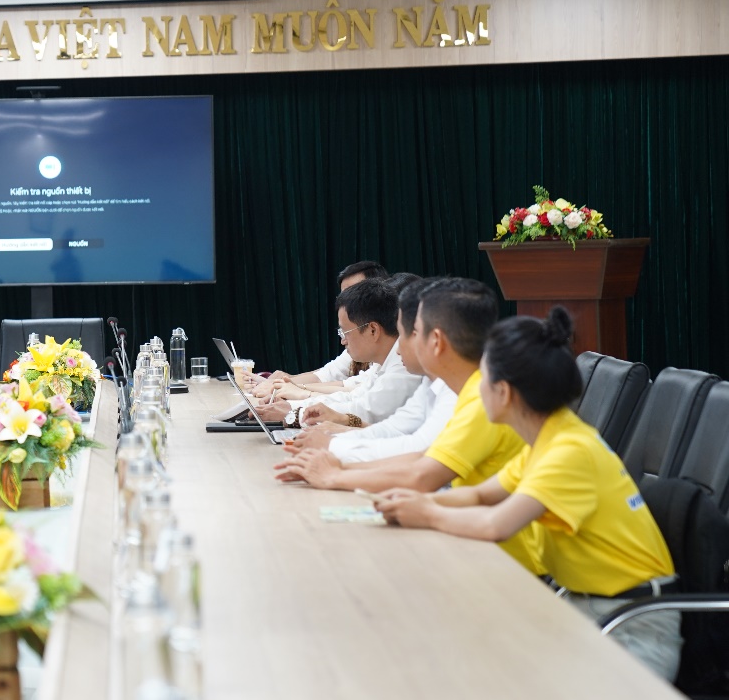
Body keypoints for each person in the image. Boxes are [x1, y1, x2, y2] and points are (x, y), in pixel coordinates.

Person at [377, 308, 681, 680]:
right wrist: (410, 503)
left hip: (631, 628)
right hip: (588, 609)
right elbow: (480, 496)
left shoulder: (569, 451)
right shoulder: (549, 437)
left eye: (482, 379)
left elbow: (495, 525)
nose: (476, 389)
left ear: (503, 392)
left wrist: (426, 513)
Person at [274, 280, 529, 526]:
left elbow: (421, 470)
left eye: (411, 333)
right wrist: (336, 461)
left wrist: (336, 468)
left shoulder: (481, 397)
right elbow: (412, 446)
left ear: (436, 341)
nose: (398, 349)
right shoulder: (453, 385)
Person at [290, 277, 458, 462]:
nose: (398, 348)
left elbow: (419, 457)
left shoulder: (461, 392)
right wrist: (342, 430)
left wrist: (334, 448)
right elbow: (394, 430)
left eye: (405, 335)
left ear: (436, 340)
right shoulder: (431, 381)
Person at [255, 279, 420, 424]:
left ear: (373, 330)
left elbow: (366, 412)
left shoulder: (406, 364)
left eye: (345, 332)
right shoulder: (382, 362)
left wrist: (295, 413)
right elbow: (352, 397)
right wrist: (292, 406)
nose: (343, 341)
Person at [250, 260, 389, 394]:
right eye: (343, 296)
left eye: (354, 294)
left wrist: (298, 390)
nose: (346, 302)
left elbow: (357, 394)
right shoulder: (362, 346)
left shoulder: (390, 355)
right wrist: (282, 384)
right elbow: (334, 379)